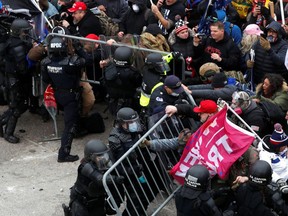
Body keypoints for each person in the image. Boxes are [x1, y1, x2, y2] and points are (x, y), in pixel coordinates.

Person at [41, 36, 85, 162]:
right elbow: (87, 60)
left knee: (71, 122)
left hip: (57, 94)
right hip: (70, 96)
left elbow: (46, 80)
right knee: (69, 126)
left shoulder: (46, 63)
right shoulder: (72, 63)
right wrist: (78, 47)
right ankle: (63, 154)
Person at [108, 107, 155, 215]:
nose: (133, 124)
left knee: (145, 196)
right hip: (128, 173)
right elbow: (118, 164)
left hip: (140, 169)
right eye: (129, 123)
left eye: (134, 121)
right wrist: (133, 170)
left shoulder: (139, 129)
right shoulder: (115, 138)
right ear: (121, 123)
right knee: (135, 199)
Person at [62, 139, 124, 216]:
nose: (102, 158)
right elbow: (99, 179)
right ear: (90, 157)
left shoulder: (103, 166)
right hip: (81, 203)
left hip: (97, 202)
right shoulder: (85, 166)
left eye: (103, 155)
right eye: (99, 156)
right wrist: (115, 179)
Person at [0, 18, 33, 143]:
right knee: (17, 107)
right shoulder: (17, 46)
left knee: (18, 106)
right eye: (24, 32)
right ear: (18, 32)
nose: (26, 34)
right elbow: (22, 68)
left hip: (11, 78)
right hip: (15, 80)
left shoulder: (10, 42)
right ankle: (8, 133)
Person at [103, 46, 142, 115]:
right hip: (130, 101)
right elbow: (138, 83)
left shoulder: (109, 69)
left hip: (113, 101)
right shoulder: (133, 73)